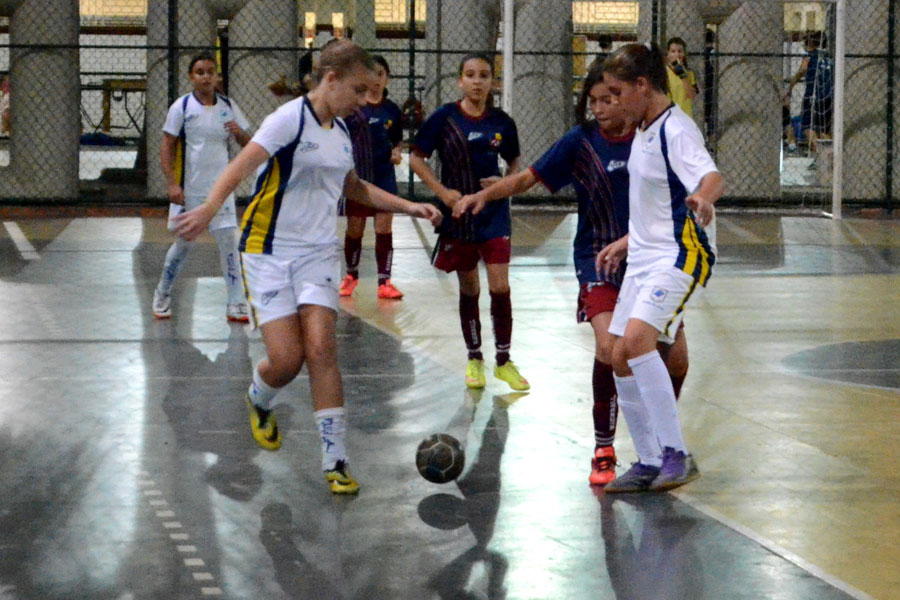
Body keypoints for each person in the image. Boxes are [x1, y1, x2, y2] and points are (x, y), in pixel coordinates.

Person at [172, 40, 442, 495]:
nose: (363, 101)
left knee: (321, 349)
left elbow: (354, 188)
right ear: (330, 79)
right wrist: (207, 209)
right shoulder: (287, 120)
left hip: (318, 253)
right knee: (287, 360)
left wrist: (408, 207)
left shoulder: (340, 132)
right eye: (358, 89)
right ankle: (259, 398)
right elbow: (239, 167)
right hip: (268, 251)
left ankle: (335, 460)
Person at [454, 60, 689, 487]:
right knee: (609, 348)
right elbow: (527, 177)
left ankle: (660, 443)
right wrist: (485, 194)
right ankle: (604, 448)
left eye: (609, 98)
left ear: (631, 94)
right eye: (593, 100)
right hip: (597, 258)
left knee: (676, 359)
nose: (599, 108)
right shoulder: (581, 142)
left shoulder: (654, 137)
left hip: (652, 260)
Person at [598, 42, 724, 493]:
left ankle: (676, 454)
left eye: (617, 92)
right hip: (645, 256)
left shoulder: (676, 128)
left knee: (635, 342)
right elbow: (656, 201)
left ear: (642, 85)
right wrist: (627, 240)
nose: (612, 102)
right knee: (617, 356)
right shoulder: (643, 129)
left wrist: (704, 199)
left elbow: (712, 176)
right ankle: (649, 459)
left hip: (679, 253)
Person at [409, 53, 529, 393]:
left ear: (492, 81)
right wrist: (443, 192)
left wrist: (506, 180)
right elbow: (417, 158)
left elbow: (516, 159)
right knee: (469, 288)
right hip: (459, 216)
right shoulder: (445, 118)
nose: (477, 81)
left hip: (494, 215)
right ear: (460, 81)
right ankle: (474, 357)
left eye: (484, 75)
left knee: (500, 286)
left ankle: (504, 361)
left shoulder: (502, 122)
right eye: (470, 75)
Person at [152, 53, 252, 322]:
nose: (206, 76)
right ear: (191, 77)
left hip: (220, 191)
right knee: (184, 244)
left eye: (210, 71)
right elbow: (166, 145)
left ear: (217, 75)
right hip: (191, 190)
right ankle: (162, 292)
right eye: (199, 72)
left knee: (229, 243)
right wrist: (172, 182)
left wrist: (238, 133)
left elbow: (249, 143)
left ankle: (236, 301)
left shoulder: (228, 106)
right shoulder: (182, 107)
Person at [339, 55, 405, 299]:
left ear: (387, 78)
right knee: (355, 227)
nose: (377, 80)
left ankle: (384, 281)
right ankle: (351, 276)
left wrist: (397, 151)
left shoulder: (392, 110)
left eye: (381, 74)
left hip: (384, 175)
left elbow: (398, 139)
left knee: (384, 226)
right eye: (372, 74)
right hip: (359, 176)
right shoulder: (354, 108)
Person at [789, 31, 833, 154]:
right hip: (828, 96)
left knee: (807, 127)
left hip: (813, 95)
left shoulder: (810, 55)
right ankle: (827, 155)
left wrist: (792, 84)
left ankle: (819, 153)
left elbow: (802, 70)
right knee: (823, 128)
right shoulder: (828, 57)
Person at [665, 37, 698, 118]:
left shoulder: (689, 73)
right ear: (668, 54)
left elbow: (691, 95)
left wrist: (683, 75)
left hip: (685, 115)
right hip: (669, 115)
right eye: (673, 51)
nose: (677, 54)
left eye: (680, 51)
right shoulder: (664, 72)